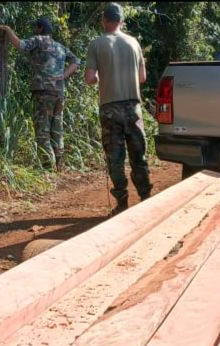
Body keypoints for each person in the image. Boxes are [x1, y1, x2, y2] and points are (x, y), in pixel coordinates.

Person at [85, 3, 152, 215]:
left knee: (115, 157)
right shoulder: (134, 43)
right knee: (138, 155)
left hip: (109, 108)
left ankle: (122, 203)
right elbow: (142, 77)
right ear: (122, 21)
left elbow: (90, 79)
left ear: (104, 20)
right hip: (133, 106)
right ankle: (145, 197)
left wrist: (100, 76)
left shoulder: (96, 43)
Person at [1, 17, 80, 172]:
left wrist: (8, 30)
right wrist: (63, 75)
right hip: (59, 93)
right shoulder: (59, 46)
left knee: (42, 130)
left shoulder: (38, 40)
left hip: (43, 93)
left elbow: (20, 45)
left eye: (35, 27)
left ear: (40, 28)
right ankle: (59, 166)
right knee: (56, 129)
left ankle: (47, 168)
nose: (34, 30)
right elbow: (76, 61)